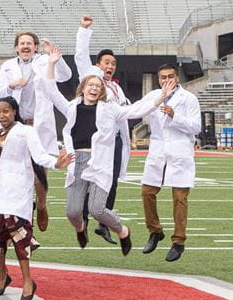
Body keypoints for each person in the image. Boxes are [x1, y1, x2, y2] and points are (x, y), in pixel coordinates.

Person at [38, 45, 172, 256]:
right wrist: (52, 63)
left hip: (100, 163)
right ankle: (80, 229)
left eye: (98, 86)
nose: (94, 88)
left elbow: (137, 109)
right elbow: (51, 91)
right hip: (76, 161)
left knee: (97, 209)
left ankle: (122, 230)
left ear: (102, 91)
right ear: (83, 87)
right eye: (90, 84)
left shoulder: (110, 109)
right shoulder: (71, 107)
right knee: (73, 212)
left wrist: (161, 96)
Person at [0, 97, 72, 300]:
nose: (2, 115)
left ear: (14, 111)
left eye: (6, 111)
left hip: (17, 190)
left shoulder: (25, 131)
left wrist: (56, 163)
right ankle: (2, 276)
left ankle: (28, 281)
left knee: (20, 236)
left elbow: (39, 156)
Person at [0, 31, 73, 232]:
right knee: (18, 173)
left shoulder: (45, 61)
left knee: (40, 174)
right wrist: (11, 85)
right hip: (16, 125)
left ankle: (42, 205)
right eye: (22, 43)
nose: (25, 46)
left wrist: (56, 58)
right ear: (16, 47)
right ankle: (23, 217)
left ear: (35, 47)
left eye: (29, 43)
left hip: (40, 124)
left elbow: (66, 76)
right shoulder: (8, 66)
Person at [75, 14, 129, 244]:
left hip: (114, 140)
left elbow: (126, 111)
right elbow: (80, 56)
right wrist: (84, 30)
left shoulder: (116, 89)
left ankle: (103, 224)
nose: (110, 66)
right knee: (88, 179)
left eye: (113, 64)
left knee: (112, 180)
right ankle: (84, 221)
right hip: (94, 140)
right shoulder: (91, 80)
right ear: (98, 65)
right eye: (106, 62)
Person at [138, 64, 200, 262]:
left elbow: (196, 127)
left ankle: (179, 241)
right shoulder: (153, 96)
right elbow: (137, 109)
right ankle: (155, 231)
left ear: (177, 78)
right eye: (163, 77)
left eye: (170, 76)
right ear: (159, 80)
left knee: (180, 198)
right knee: (147, 192)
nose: (167, 80)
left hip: (179, 152)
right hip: (158, 151)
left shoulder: (189, 99)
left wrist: (175, 116)